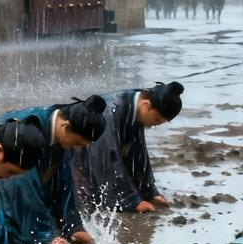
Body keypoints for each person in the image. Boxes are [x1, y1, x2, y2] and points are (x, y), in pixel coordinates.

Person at [0, 96, 108, 244]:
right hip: (1, 185)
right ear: (65, 125)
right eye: (77, 142)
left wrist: (74, 226)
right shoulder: (27, 130)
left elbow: (64, 181)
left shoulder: (61, 132)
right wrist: (47, 236)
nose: (77, 147)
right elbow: (22, 187)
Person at [72, 81, 184, 213]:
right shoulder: (111, 111)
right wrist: (131, 201)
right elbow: (106, 158)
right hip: (76, 165)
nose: (156, 125)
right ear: (146, 105)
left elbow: (138, 154)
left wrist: (149, 192)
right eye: (157, 120)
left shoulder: (134, 107)